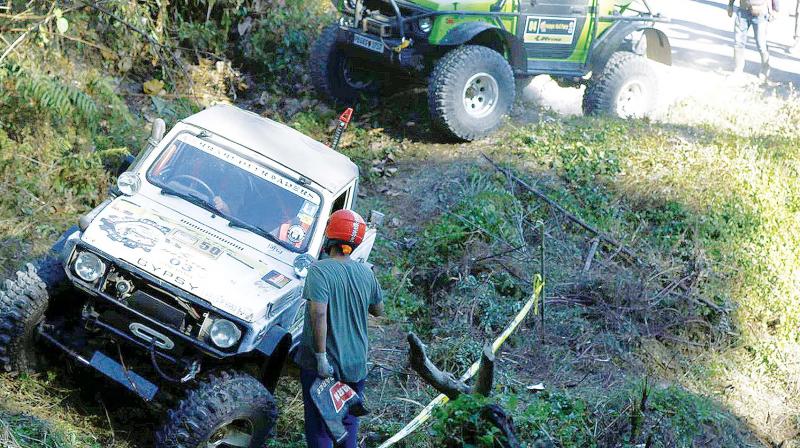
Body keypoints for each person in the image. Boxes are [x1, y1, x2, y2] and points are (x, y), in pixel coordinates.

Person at [297, 209, 384, 448]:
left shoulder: (320, 270)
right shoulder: (366, 273)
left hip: (326, 365)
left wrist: (321, 357)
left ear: (330, 236)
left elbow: (319, 312)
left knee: (320, 429)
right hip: (356, 363)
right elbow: (378, 310)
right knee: (347, 422)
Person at [728, 0, 780, 78]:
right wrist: (730, 5)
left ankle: (765, 67)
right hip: (743, 11)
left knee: (761, 43)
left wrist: (775, 9)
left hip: (761, 12)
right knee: (738, 42)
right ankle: (738, 68)